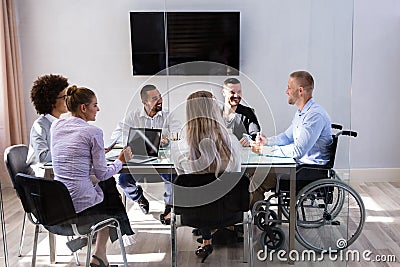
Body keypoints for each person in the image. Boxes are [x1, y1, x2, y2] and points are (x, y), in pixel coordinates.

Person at [51, 85, 134, 267]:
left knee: (109, 190)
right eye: (95, 105)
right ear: (83, 108)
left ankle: (95, 250)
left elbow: (70, 154)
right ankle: (99, 253)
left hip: (59, 203)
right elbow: (102, 174)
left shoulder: (56, 126)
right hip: (81, 206)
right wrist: (121, 160)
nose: (98, 109)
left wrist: (95, 153)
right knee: (111, 191)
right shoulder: (93, 132)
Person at [171, 90, 241, 262]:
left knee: (200, 196)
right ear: (215, 111)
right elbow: (237, 175)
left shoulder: (180, 149)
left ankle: (206, 240)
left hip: (193, 213)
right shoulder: (232, 144)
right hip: (230, 212)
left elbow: (184, 181)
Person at [250, 70, 333, 206]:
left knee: (257, 180)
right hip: (298, 166)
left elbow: (298, 151)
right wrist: (267, 142)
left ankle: (254, 221)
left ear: (300, 91)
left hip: (306, 171)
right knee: (253, 172)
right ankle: (255, 216)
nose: (286, 91)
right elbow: (287, 137)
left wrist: (269, 152)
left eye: (289, 87)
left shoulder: (314, 116)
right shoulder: (301, 113)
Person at [110, 84, 181, 219]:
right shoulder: (133, 116)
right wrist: (138, 138)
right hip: (140, 162)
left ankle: (169, 206)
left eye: (160, 96)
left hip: (162, 162)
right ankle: (139, 198)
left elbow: (178, 135)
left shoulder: (169, 115)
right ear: (144, 102)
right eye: (154, 98)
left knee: (174, 178)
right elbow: (117, 134)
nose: (160, 100)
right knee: (123, 181)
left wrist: (168, 140)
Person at [26, 74, 69, 176]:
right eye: (64, 97)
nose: (68, 100)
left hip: (54, 172)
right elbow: (43, 158)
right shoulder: (39, 126)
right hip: (40, 177)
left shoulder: (61, 123)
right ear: (51, 101)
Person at [221, 78, 261, 146]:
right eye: (232, 92)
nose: (236, 95)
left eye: (239, 92)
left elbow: (255, 134)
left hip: (242, 153)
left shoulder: (248, 113)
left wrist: (249, 140)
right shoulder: (215, 112)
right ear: (223, 92)